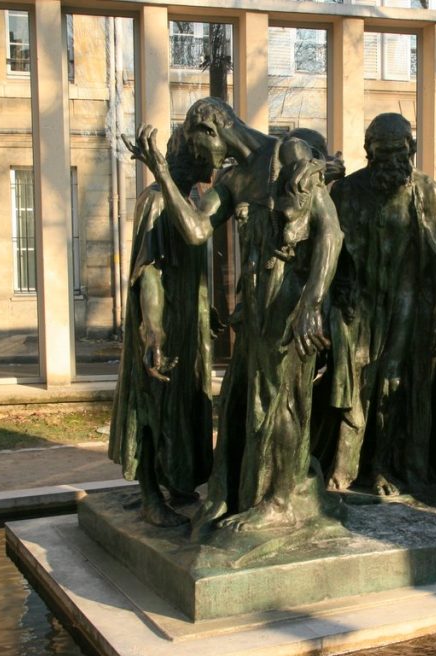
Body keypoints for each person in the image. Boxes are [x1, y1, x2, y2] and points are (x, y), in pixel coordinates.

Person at [123, 98, 343, 534]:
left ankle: (280, 500)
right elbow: (195, 230)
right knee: (245, 403)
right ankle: (237, 495)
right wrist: (161, 174)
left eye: (198, 146)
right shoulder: (230, 179)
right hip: (257, 310)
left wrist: (312, 304)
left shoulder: (289, 154)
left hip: (290, 304)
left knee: (280, 405)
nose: (200, 159)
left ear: (212, 127)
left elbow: (330, 232)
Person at [325, 113, 436, 496]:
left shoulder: (424, 191)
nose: (393, 162)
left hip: (405, 304)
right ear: (368, 152)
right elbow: (330, 253)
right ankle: (343, 467)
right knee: (353, 388)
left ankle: (384, 467)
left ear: (411, 149)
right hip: (357, 305)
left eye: (400, 153)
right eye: (383, 155)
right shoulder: (345, 192)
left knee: (391, 385)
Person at [108, 127, 214, 527]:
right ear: (192, 156)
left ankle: (177, 484)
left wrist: (208, 309)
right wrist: (153, 328)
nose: (216, 162)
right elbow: (148, 271)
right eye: (209, 155)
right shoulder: (155, 201)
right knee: (151, 405)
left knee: (181, 406)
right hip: (163, 321)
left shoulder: (194, 199)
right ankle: (151, 496)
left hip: (190, 319)